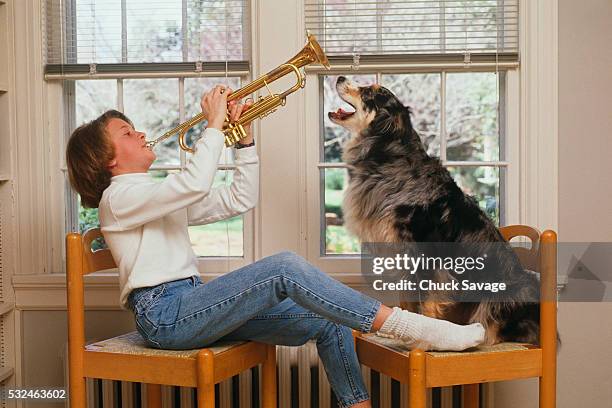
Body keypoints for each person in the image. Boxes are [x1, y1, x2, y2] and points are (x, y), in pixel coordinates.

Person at [66, 85, 484, 408]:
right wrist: (212, 124)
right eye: (126, 132)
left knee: (329, 317)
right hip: (165, 316)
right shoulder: (117, 199)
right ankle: (414, 327)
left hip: (191, 303)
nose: (140, 132)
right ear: (107, 161)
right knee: (282, 266)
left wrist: (242, 142)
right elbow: (194, 182)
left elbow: (237, 200)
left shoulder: (152, 195)